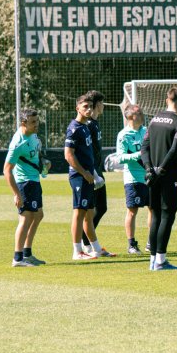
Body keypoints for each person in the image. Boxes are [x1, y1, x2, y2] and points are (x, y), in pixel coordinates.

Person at [141, 87, 177, 270]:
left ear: (167, 99)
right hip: (169, 175)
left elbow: (144, 147)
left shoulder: (154, 120)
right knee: (167, 215)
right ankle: (160, 260)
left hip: (152, 175)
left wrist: (149, 169)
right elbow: (175, 149)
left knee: (156, 216)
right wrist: (162, 168)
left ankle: (153, 260)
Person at [64, 94, 109, 260]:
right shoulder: (74, 128)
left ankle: (95, 248)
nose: (89, 110)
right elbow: (68, 155)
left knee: (89, 213)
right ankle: (77, 251)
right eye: (85, 107)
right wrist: (84, 173)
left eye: (91, 106)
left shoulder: (85, 127)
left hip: (88, 176)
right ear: (78, 108)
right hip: (79, 177)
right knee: (79, 213)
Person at [4, 108, 47, 267]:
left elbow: (36, 154)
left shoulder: (33, 135)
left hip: (34, 181)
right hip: (24, 183)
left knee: (39, 215)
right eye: (33, 122)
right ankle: (17, 258)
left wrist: (43, 163)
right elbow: (7, 170)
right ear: (24, 123)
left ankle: (27, 253)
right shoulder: (18, 143)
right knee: (26, 218)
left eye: (37, 121)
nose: (37, 125)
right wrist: (16, 194)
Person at [115, 104, 148, 254]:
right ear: (130, 117)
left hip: (149, 176)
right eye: (139, 113)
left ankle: (151, 242)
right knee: (132, 211)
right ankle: (131, 244)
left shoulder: (146, 131)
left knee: (153, 209)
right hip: (133, 178)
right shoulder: (123, 135)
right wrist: (137, 155)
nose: (142, 114)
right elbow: (120, 158)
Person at [82, 91, 109, 255]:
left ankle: (88, 242)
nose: (103, 106)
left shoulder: (95, 123)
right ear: (98, 104)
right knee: (90, 210)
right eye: (102, 103)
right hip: (92, 173)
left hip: (98, 171)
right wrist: (93, 172)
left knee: (102, 208)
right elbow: (88, 151)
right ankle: (86, 244)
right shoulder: (89, 125)